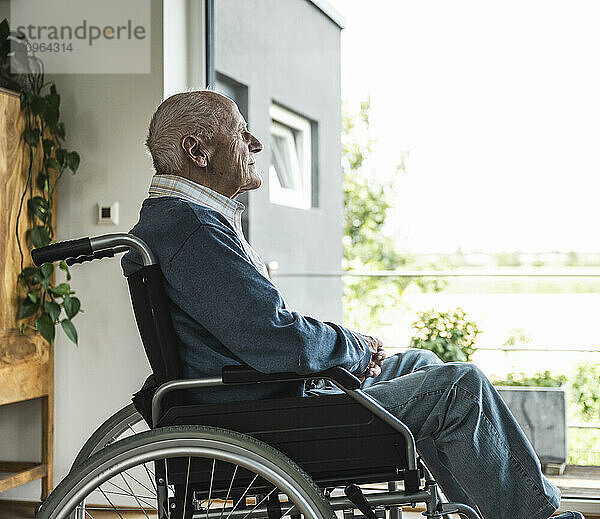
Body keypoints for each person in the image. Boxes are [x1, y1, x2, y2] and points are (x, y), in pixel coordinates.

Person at [122, 90, 582, 519]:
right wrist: (356, 348)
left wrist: (348, 352)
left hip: (260, 396)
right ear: (198, 151)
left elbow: (264, 331)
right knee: (460, 388)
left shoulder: (181, 222)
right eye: (241, 133)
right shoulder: (194, 232)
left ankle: (490, 509)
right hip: (267, 415)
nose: (256, 143)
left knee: (422, 362)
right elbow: (277, 340)